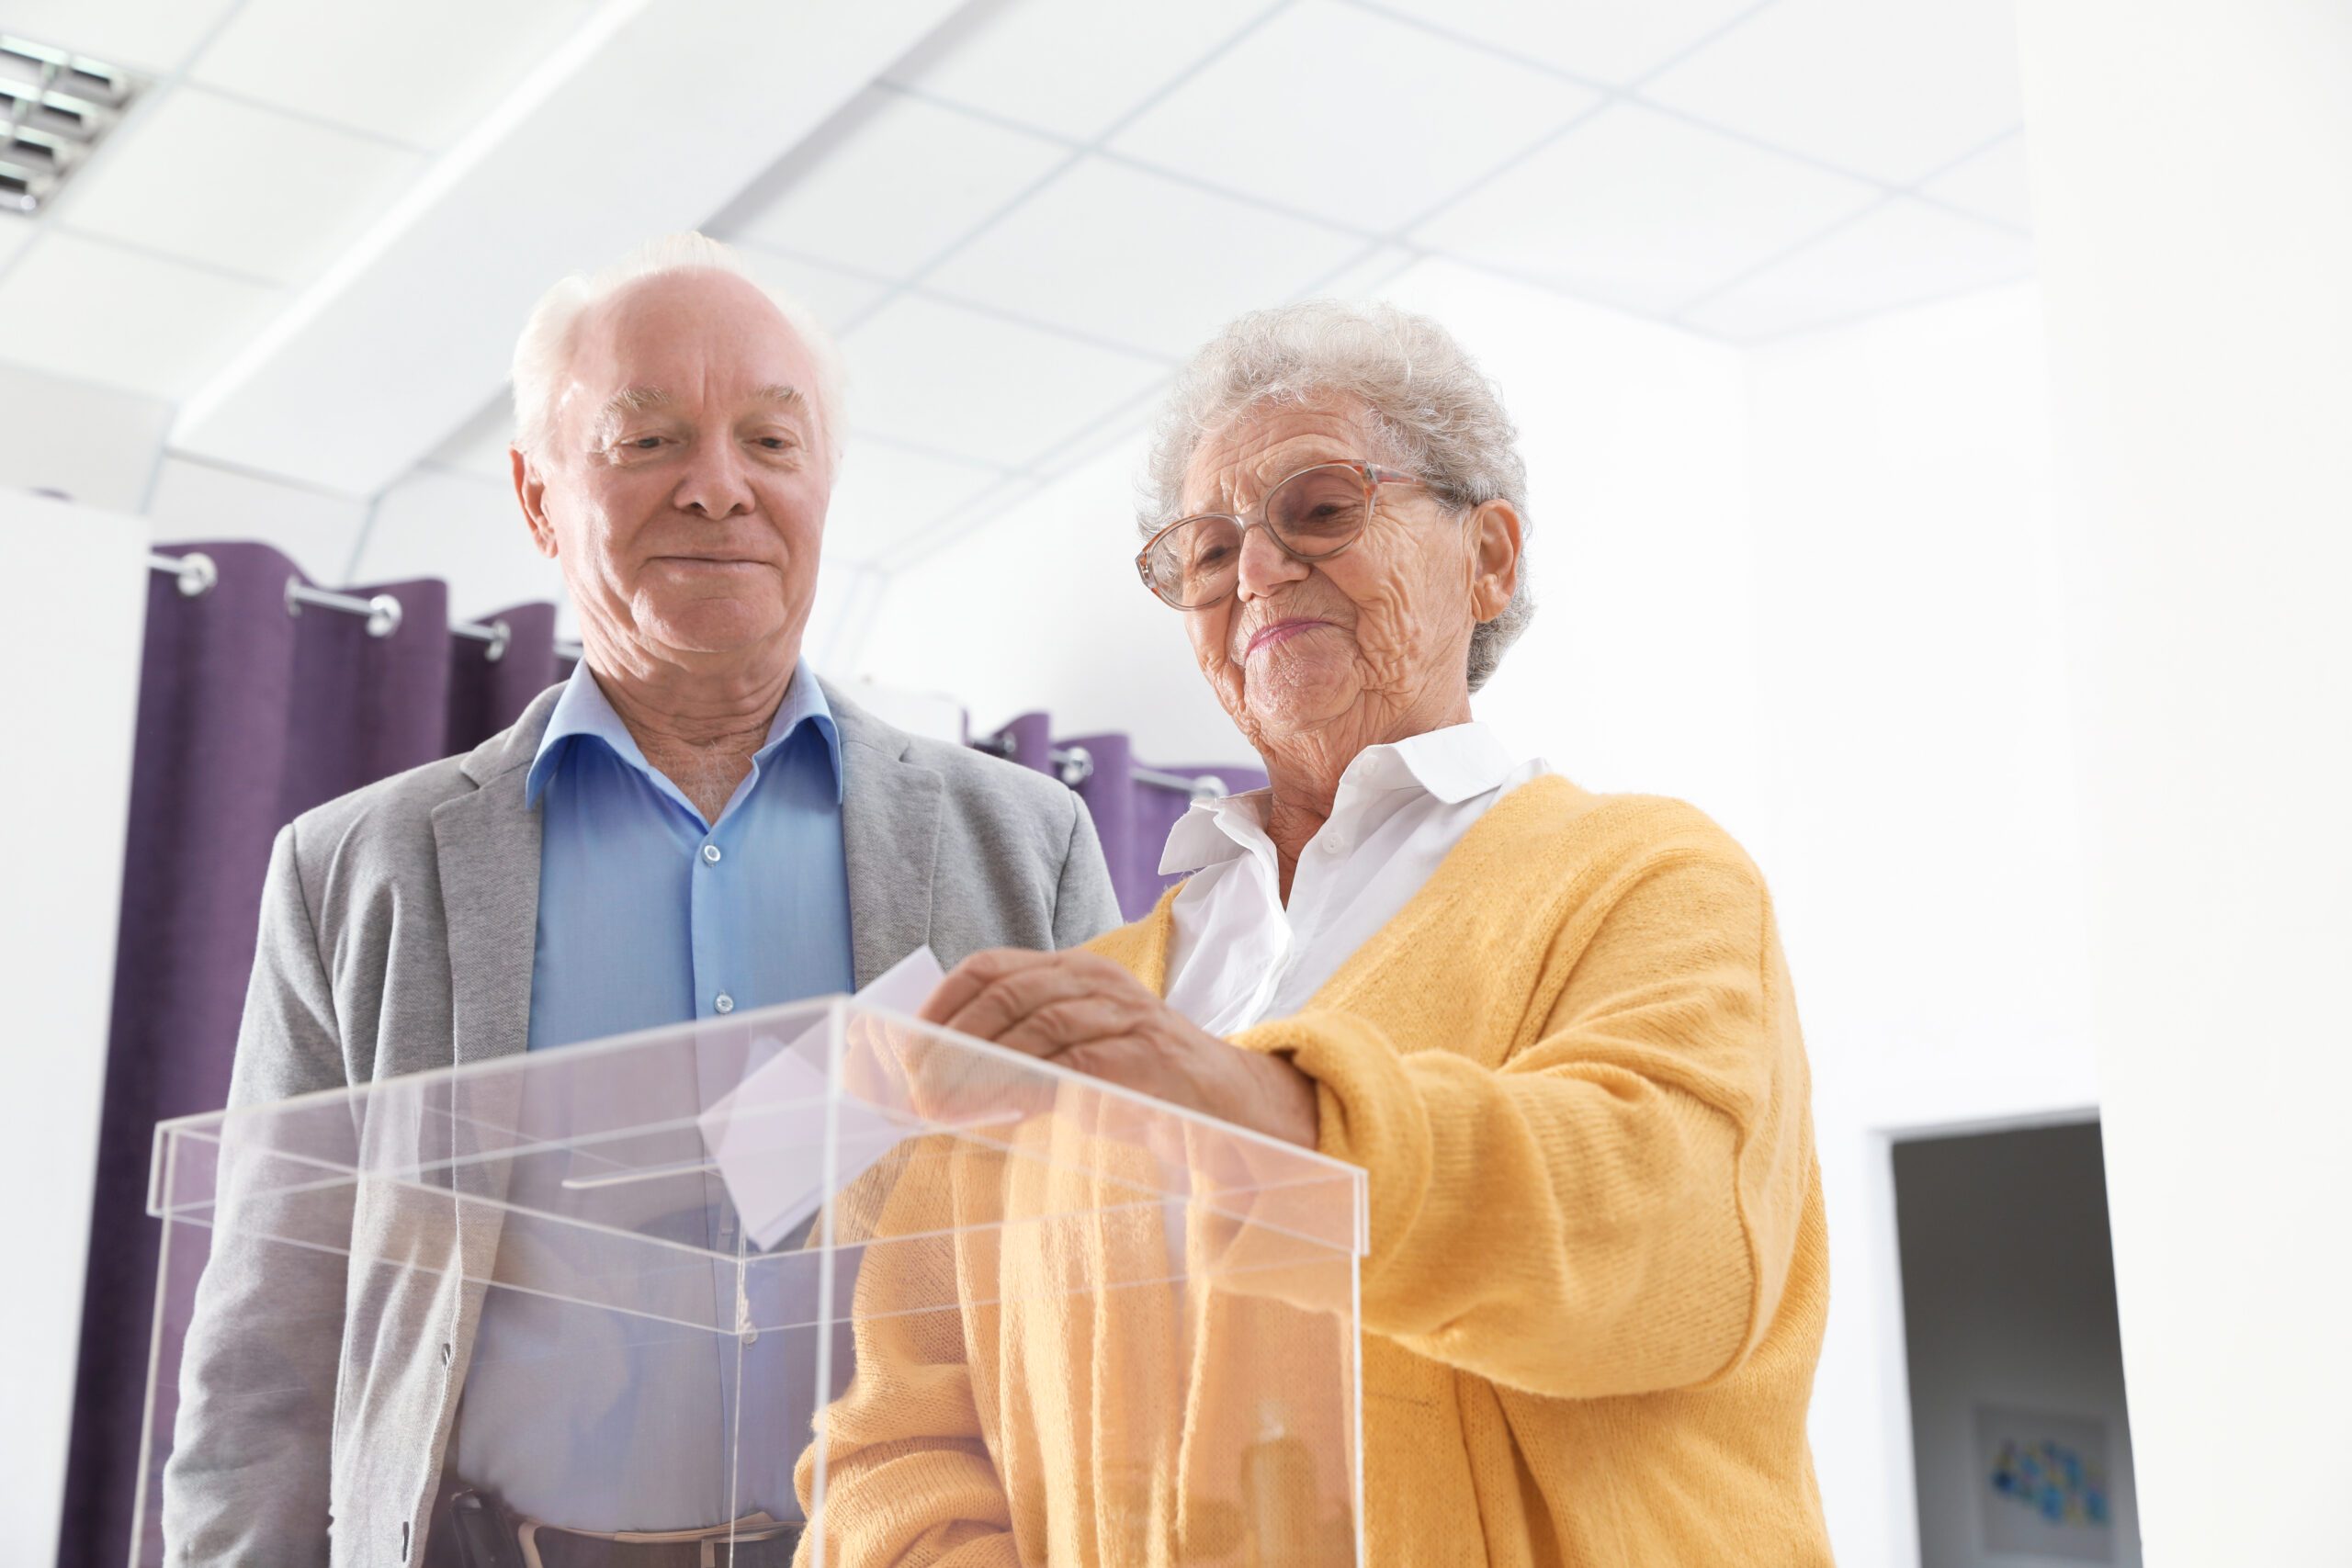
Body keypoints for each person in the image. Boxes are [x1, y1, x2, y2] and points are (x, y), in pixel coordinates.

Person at [813, 299, 1832, 1564]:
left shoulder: (1649, 878)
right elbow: (893, 1448)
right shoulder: (1073, 1007)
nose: (1255, 572)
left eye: (1318, 509)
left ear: (1491, 557)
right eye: (1204, 550)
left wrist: (1264, 1115)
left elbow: (1668, 1239)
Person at [161, 233, 1121, 1566]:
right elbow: (267, 1367)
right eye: (648, 439)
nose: (717, 491)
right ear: (540, 497)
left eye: (770, 446)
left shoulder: (1027, 848)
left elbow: (1116, 1295)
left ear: (825, 488)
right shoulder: (358, 875)